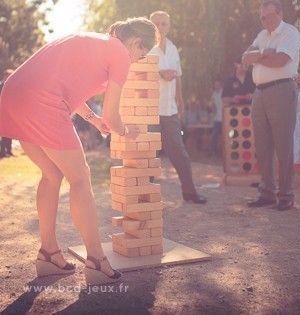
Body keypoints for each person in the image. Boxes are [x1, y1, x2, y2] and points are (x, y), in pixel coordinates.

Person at [0, 17, 158, 284]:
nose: (138, 60)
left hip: (13, 93)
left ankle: (48, 253)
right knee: (80, 177)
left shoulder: (94, 42)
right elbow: (113, 115)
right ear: (136, 42)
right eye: (142, 54)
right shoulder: (119, 52)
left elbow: (69, 89)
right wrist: (124, 130)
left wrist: (94, 120)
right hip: (42, 102)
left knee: (51, 174)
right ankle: (96, 260)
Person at [242, 0, 300, 211]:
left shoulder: (290, 33)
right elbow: (245, 58)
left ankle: (286, 195)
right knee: (263, 145)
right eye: (262, 17)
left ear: (280, 13)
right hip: (259, 93)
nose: (265, 20)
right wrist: (265, 53)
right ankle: (267, 193)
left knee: (283, 144)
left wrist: (258, 56)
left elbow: (281, 61)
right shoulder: (261, 36)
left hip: (282, 90)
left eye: (269, 16)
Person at [149, 11, 206, 204]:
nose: (160, 27)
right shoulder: (146, 48)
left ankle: (190, 193)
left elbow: (178, 76)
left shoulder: (173, 48)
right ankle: (143, 197)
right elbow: (138, 73)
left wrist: (180, 100)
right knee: (149, 155)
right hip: (150, 111)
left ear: (169, 26)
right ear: (151, 26)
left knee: (180, 154)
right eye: (156, 24)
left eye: (164, 24)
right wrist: (159, 73)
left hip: (170, 110)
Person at [0, 69, 14, 158]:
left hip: (8, 112)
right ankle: (2, 152)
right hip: (2, 112)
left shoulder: (11, 86)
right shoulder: (1, 85)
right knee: (3, 133)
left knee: (10, 132)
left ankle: (8, 151)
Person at [209, 80, 223, 156]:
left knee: (227, 135)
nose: (216, 86)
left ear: (220, 85)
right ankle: (213, 151)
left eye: (218, 84)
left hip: (224, 118)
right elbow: (213, 107)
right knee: (214, 135)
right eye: (215, 84)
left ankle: (229, 151)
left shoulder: (223, 92)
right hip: (217, 118)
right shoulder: (214, 94)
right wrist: (212, 113)